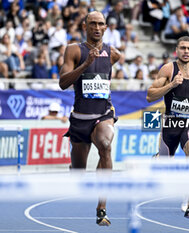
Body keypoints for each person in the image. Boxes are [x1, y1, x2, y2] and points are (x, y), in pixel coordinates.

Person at [59, 11, 121, 226]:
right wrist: (85, 65)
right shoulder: (74, 50)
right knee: (78, 172)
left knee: (105, 145)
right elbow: (63, 83)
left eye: (101, 24)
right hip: (80, 119)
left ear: (106, 28)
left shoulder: (113, 53)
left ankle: (102, 208)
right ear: (85, 26)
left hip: (103, 114)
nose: (97, 27)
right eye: (92, 23)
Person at [146, 36, 189, 219]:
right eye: (183, 48)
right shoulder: (168, 69)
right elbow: (150, 96)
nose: (186, 51)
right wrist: (172, 85)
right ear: (177, 50)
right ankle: (158, 158)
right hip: (170, 123)